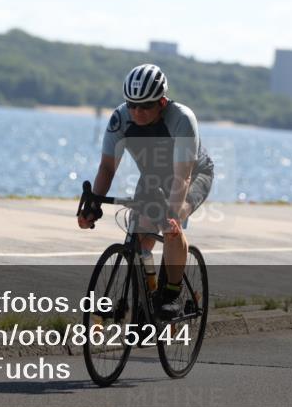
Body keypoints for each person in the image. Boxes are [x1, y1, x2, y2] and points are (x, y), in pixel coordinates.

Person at [77, 64, 214, 318]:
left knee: (172, 226)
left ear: (162, 102)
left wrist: (172, 215)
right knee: (140, 233)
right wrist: (93, 205)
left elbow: (182, 177)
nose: (137, 111)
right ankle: (145, 304)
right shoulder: (121, 119)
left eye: (146, 106)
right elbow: (107, 167)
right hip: (153, 175)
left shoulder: (182, 119)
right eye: (132, 104)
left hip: (193, 175)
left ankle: (172, 293)